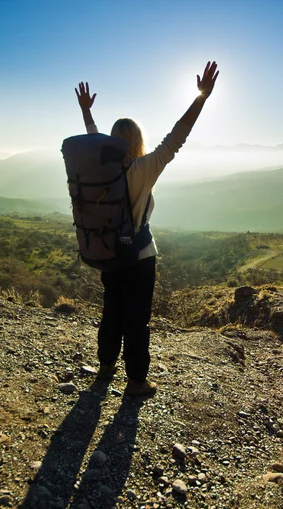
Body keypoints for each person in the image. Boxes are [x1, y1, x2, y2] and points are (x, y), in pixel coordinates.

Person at [74, 61, 219, 397]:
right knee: (137, 320)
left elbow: (93, 140)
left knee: (112, 310)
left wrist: (86, 113)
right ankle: (136, 381)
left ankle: (106, 367)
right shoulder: (145, 168)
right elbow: (176, 137)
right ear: (137, 141)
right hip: (139, 255)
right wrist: (202, 98)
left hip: (110, 254)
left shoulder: (101, 173)